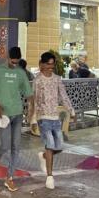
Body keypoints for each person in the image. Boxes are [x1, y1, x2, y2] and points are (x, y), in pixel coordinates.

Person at [0, 45, 34, 192]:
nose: (14, 65)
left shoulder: (21, 73)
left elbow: (28, 93)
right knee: (5, 145)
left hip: (17, 114)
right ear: (8, 58)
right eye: (12, 62)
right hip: (4, 115)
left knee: (16, 147)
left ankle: (9, 178)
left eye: (17, 62)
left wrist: (31, 109)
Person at [31, 51, 75, 190]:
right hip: (43, 117)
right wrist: (33, 119)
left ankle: (44, 156)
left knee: (59, 146)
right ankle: (50, 177)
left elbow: (63, 95)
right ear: (42, 64)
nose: (51, 67)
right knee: (50, 144)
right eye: (48, 64)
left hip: (55, 117)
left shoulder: (57, 79)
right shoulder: (37, 80)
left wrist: (71, 110)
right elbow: (34, 101)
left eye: (52, 64)